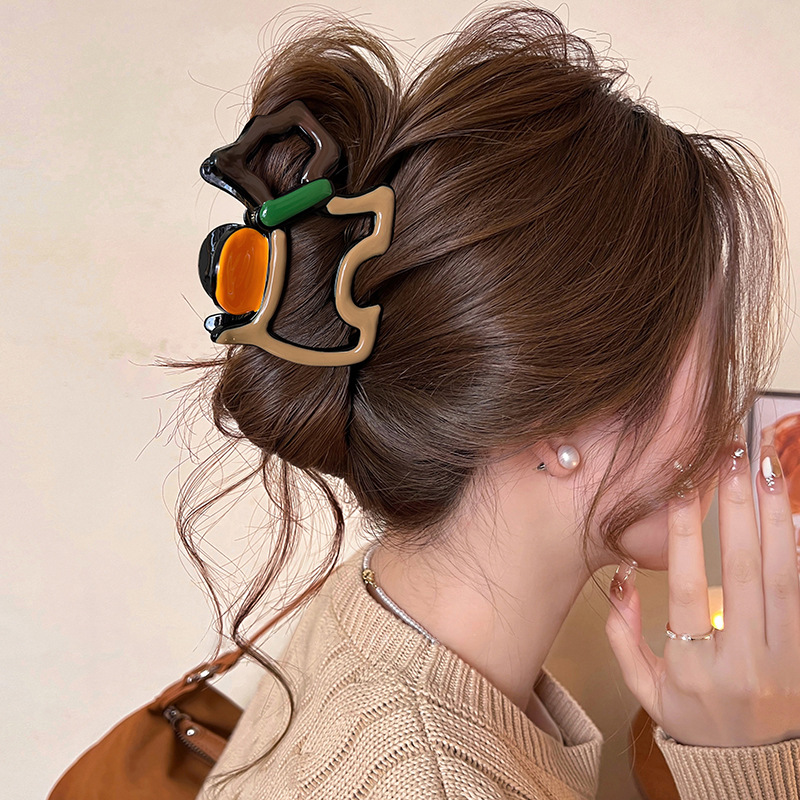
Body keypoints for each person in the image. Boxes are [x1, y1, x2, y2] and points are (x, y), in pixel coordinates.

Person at [179, 4, 800, 798]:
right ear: (555, 417)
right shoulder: (433, 783)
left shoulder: (373, 600)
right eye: (711, 353)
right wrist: (752, 759)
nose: (733, 403)